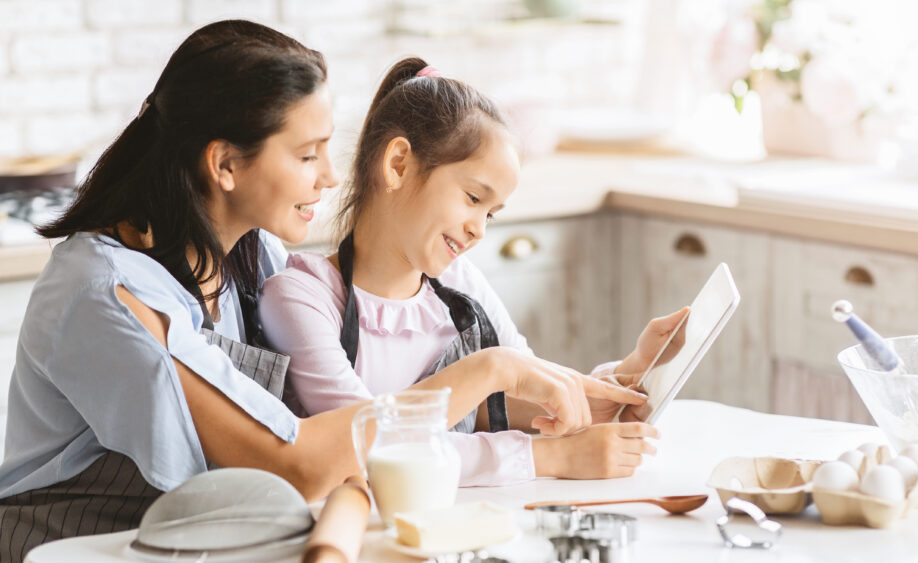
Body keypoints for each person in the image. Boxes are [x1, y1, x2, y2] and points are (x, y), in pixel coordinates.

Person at [0, 23, 637, 561]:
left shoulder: (256, 260)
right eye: (308, 155)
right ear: (224, 164)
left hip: (196, 534)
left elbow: (358, 410)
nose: (332, 177)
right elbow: (298, 460)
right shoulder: (108, 294)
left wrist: (606, 388)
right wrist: (489, 373)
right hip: (73, 543)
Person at [258, 57, 689, 487]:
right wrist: (549, 455)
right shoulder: (301, 298)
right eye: (472, 197)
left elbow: (538, 401)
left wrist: (633, 374)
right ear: (399, 165)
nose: (478, 229)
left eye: (491, 214)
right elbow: (368, 448)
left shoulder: (459, 286)